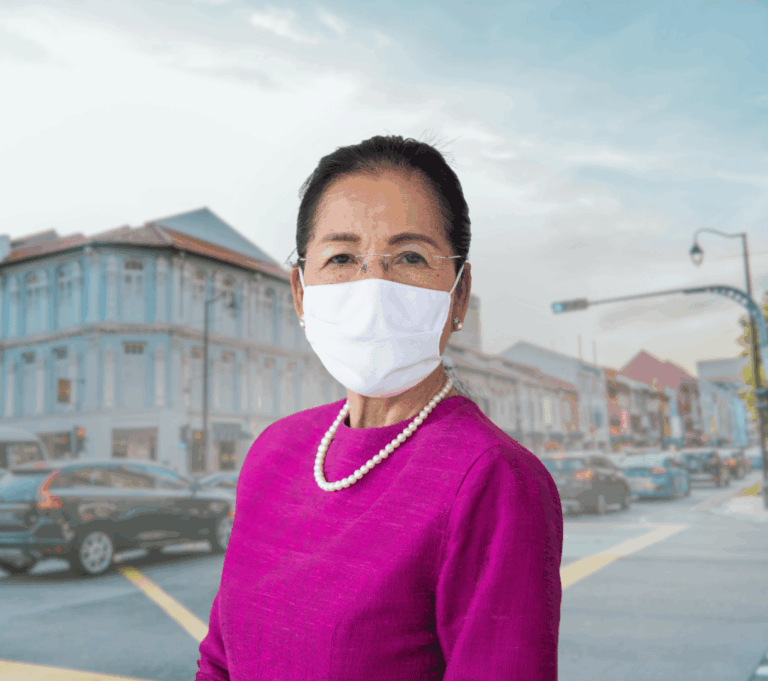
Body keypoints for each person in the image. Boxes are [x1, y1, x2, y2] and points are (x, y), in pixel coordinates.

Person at [195, 135, 563, 680]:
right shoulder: (273, 452)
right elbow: (220, 661)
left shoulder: (494, 481)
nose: (373, 287)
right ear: (300, 292)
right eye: (342, 258)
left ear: (458, 295)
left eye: (410, 257)